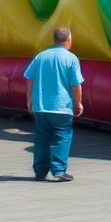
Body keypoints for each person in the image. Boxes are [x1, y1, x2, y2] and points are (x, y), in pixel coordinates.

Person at [24, 28, 83, 182]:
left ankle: (40, 170)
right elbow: (76, 84)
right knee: (64, 136)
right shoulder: (71, 59)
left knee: (42, 137)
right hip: (62, 105)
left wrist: (29, 98)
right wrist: (78, 102)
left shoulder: (40, 57)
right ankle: (59, 170)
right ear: (68, 41)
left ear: (55, 39)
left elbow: (29, 77)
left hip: (41, 105)